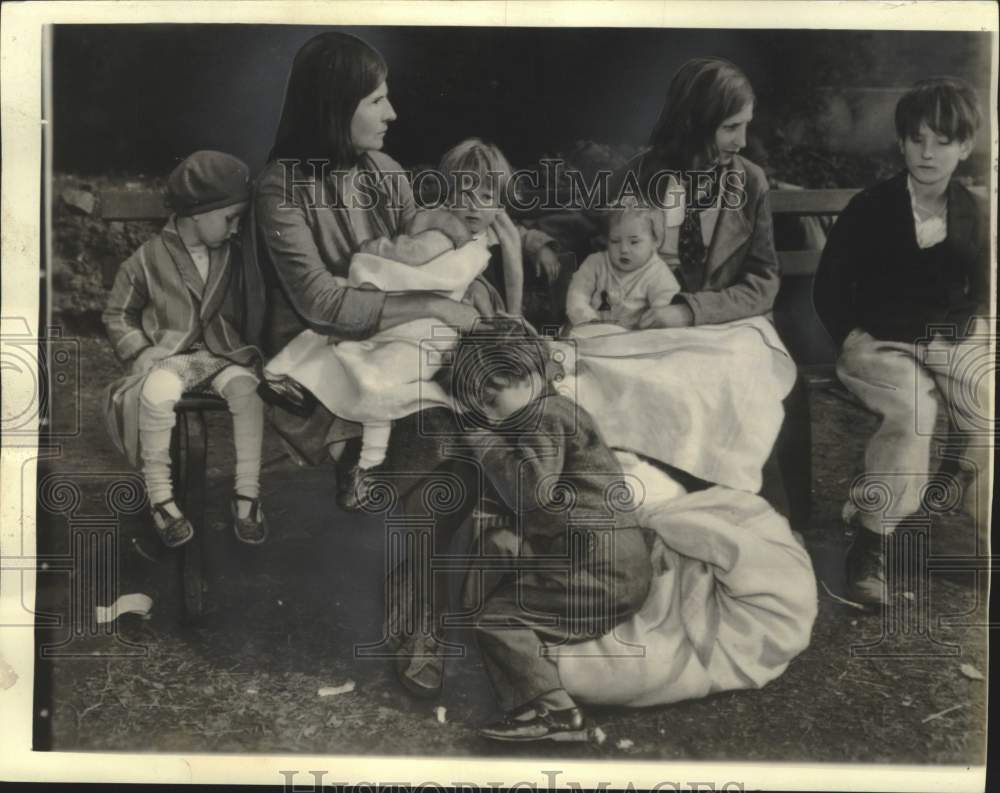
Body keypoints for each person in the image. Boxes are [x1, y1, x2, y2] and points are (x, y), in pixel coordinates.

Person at [251, 32, 487, 478]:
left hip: (397, 335)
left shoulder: (384, 170)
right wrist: (436, 305)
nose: (392, 114)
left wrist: (471, 289)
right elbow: (320, 305)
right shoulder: (280, 190)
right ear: (335, 107)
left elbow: (426, 253)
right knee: (441, 436)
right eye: (376, 101)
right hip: (319, 351)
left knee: (495, 404)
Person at [813, 77, 989, 607]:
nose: (928, 152)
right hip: (881, 344)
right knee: (912, 411)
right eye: (917, 139)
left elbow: (983, 289)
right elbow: (830, 286)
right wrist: (852, 334)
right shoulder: (872, 208)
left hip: (950, 339)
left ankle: (986, 543)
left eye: (942, 141)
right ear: (901, 143)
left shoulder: (975, 213)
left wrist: (966, 332)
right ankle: (871, 545)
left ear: (966, 147)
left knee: (988, 414)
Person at [439, 321, 652, 742]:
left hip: (600, 570)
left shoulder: (543, 419)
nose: (486, 413)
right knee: (497, 544)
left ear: (528, 378)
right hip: (606, 560)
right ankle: (473, 647)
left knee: (497, 617)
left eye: (489, 399)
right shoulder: (556, 411)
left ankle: (557, 713)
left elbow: (529, 492)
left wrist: (482, 440)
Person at [102, 150, 267, 547]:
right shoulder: (149, 258)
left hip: (220, 355)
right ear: (197, 213)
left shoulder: (235, 254)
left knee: (250, 393)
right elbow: (117, 313)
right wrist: (140, 350)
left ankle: (248, 493)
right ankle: (160, 497)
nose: (235, 228)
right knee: (157, 392)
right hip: (171, 358)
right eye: (230, 218)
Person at [438, 138, 565, 325]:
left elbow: (521, 235)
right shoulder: (440, 228)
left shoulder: (498, 228)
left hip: (496, 310)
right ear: (449, 197)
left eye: (486, 197)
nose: (475, 206)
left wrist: (542, 248)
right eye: (465, 194)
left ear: (498, 204)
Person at [565, 206, 680, 328]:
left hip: (635, 340)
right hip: (592, 332)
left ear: (655, 241)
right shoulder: (594, 263)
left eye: (634, 242)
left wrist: (652, 323)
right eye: (615, 241)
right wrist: (589, 321)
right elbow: (576, 296)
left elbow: (664, 311)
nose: (623, 249)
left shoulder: (659, 273)